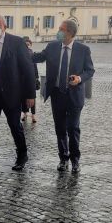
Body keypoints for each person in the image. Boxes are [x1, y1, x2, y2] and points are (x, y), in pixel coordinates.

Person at [33, 19, 95, 174]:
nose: (58, 31)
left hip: (74, 95)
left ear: (70, 33)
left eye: (61, 29)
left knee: (73, 128)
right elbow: (39, 57)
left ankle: (75, 161)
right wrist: (22, 50)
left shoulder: (83, 50)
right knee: (60, 128)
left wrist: (79, 79)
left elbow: (90, 70)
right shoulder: (52, 46)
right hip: (57, 94)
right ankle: (63, 158)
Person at [0, 15, 36, 173]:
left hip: (11, 93)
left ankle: (22, 156)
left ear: (5, 26)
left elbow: (28, 69)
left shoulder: (16, 43)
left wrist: (30, 95)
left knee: (15, 126)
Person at [21, 38, 39, 123]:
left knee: (33, 98)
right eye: (25, 44)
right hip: (23, 80)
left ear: (31, 45)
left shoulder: (33, 54)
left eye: (28, 44)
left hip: (32, 80)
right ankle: (24, 113)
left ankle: (33, 114)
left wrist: (36, 78)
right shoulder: (20, 54)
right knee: (23, 97)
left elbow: (35, 68)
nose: (27, 46)